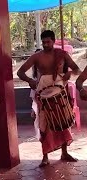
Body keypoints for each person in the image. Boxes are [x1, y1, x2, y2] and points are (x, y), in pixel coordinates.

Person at [17, 30, 80, 167]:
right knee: (44, 124)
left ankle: (64, 152)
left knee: (63, 122)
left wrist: (69, 73)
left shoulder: (62, 54)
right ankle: (45, 156)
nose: (45, 44)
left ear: (53, 41)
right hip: (43, 93)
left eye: (48, 42)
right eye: (43, 42)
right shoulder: (37, 57)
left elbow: (77, 69)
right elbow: (20, 72)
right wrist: (30, 80)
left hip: (60, 90)